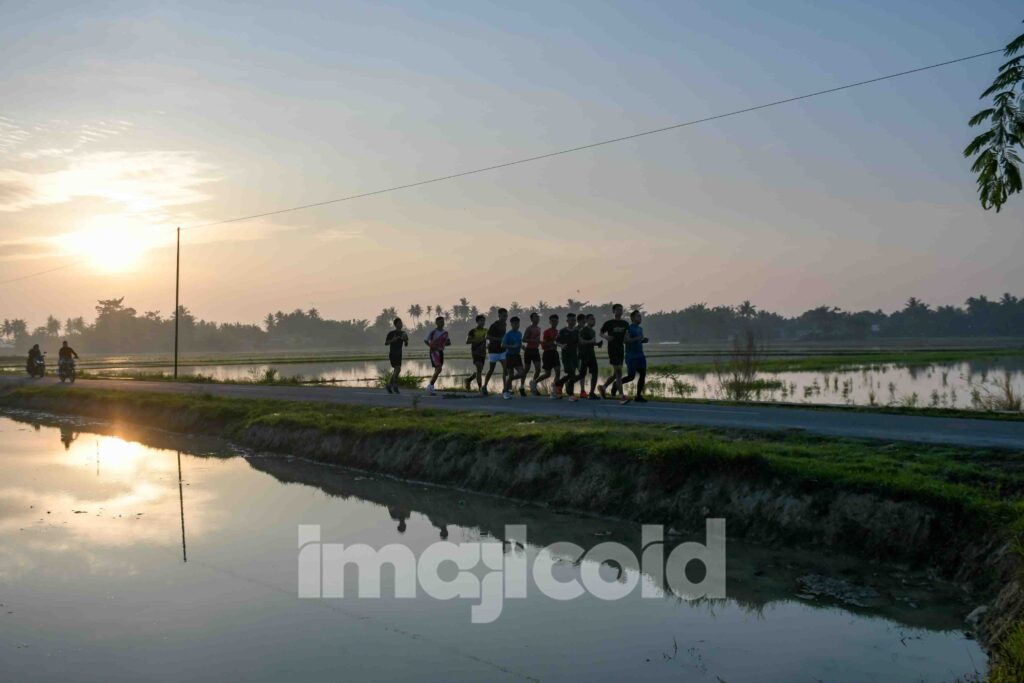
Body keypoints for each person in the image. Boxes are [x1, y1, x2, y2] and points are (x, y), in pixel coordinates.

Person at [599, 304, 630, 399]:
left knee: (617, 373)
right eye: (617, 310)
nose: (620, 311)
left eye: (621, 310)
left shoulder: (625, 324)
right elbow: (601, 333)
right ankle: (621, 395)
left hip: (621, 349)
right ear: (613, 311)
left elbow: (626, 337)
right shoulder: (609, 323)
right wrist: (606, 337)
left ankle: (603, 387)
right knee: (618, 372)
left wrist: (628, 339)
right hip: (612, 349)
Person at [621, 309, 649, 404]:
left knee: (643, 374)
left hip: (640, 355)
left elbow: (638, 340)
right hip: (631, 356)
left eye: (640, 316)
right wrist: (638, 338)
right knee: (631, 376)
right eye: (638, 316)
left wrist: (643, 340)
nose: (640, 318)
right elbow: (626, 341)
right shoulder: (629, 328)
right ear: (632, 318)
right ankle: (617, 384)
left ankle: (638, 395)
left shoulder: (640, 329)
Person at [531, 314, 561, 396]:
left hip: (555, 353)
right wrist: (552, 343)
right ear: (550, 322)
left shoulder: (558, 332)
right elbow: (543, 345)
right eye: (553, 321)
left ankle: (554, 390)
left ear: (558, 321)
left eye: (556, 321)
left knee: (558, 371)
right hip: (547, 353)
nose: (554, 322)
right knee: (548, 374)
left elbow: (558, 343)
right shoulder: (547, 332)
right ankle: (534, 382)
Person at [554, 313, 580, 401]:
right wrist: (561, 346)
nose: (573, 322)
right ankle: (571, 394)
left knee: (571, 374)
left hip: (574, 356)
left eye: (574, 320)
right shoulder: (562, 331)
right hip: (566, 356)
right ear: (567, 321)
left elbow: (579, 342)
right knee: (572, 373)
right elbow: (556, 342)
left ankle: (559, 383)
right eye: (571, 320)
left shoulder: (577, 331)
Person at [482, 308, 508, 396]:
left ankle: (505, 388)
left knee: (506, 368)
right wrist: (498, 339)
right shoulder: (494, 325)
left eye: (506, 316)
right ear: (499, 315)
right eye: (504, 316)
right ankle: (484, 386)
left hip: (502, 351)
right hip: (493, 351)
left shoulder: (505, 324)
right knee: (491, 369)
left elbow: (503, 336)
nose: (505, 317)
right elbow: (487, 337)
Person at [424, 316, 451, 395]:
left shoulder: (445, 333)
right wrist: (431, 346)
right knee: (439, 369)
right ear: (436, 323)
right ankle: (430, 386)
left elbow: (448, 342)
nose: (442, 323)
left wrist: (444, 343)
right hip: (434, 352)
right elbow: (426, 340)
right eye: (440, 322)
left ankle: (431, 388)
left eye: (443, 321)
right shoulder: (433, 332)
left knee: (437, 370)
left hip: (440, 352)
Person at [577, 314, 601, 399]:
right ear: (586, 320)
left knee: (595, 373)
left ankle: (591, 392)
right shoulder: (583, 330)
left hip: (591, 355)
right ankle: (570, 384)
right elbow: (582, 342)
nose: (593, 321)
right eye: (591, 319)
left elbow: (591, 342)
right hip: (584, 355)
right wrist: (591, 341)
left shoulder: (593, 331)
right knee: (582, 374)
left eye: (594, 319)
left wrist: (597, 344)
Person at [501, 316, 526, 399]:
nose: (517, 325)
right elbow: (503, 345)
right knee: (511, 374)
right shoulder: (508, 334)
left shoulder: (519, 333)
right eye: (515, 324)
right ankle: (506, 392)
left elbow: (519, 343)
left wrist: (522, 347)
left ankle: (509, 382)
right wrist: (512, 346)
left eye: (518, 323)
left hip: (517, 356)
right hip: (509, 356)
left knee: (522, 373)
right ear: (511, 324)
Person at [463, 314, 488, 394]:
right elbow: (467, 341)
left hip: (483, 352)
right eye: (481, 321)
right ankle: (480, 388)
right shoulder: (473, 331)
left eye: (484, 321)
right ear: (477, 322)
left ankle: (468, 380)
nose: (482, 322)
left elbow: (489, 339)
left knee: (479, 370)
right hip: (475, 352)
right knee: (479, 369)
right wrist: (477, 340)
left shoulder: (486, 331)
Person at [383, 319, 408, 394]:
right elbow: (386, 343)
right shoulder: (391, 333)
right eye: (399, 323)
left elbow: (406, 344)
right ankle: (394, 385)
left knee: (396, 370)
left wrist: (405, 340)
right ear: (396, 324)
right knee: (398, 369)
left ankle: (389, 385)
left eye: (401, 323)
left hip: (399, 354)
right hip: (393, 353)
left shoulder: (403, 333)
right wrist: (392, 340)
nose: (401, 324)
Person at [522, 312, 543, 396]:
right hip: (528, 350)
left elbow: (538, 340)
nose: (537, 318)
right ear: (531, 319)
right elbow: (524, 340)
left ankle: (533, 384)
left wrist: (541, 342)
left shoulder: (539, 328)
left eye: (538, 317)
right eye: (535, 317)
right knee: (526, 369)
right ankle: (521, 387)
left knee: (538, 369)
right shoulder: (529, 328)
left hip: (536, 350)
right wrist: (533, 340)